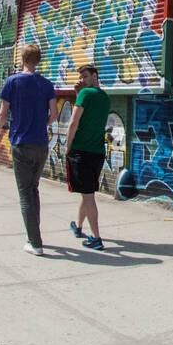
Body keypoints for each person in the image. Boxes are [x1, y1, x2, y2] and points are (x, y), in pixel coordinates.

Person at [0, 44, 58, 256]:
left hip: (21, 143)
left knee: (25, 193)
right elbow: (54, 115)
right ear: (38, 60)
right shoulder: (47, 84)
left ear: (22, 59)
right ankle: (34, 234)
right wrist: (41, 125)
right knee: (33, 189)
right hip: (41, 144)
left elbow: (3, 113)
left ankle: (35, 242)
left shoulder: (13, 82)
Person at [65, 65, 111, 251]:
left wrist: (67, 148)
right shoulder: (105, 97)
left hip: (81, 151)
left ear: (95, 76)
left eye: (85, 76)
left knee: (89, 196)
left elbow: (74, 122)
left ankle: (96, 237)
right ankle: (78, 225)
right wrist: (79, 93)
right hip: (97, 152)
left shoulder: (86, 95)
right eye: (81, 77)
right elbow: (90, 116)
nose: (82, 80)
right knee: (87, 191)